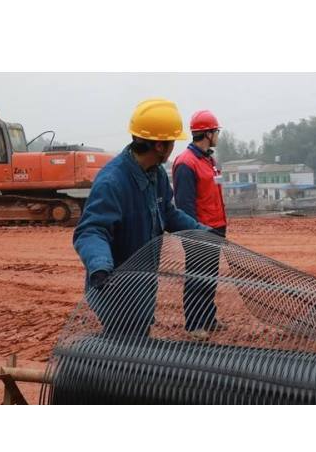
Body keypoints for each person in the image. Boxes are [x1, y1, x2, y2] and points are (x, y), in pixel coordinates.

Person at [73, 98, 208, 338]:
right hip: (114, 288)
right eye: (171, 142)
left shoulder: (155, 174)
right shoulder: (113, 182)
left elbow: (168, 212)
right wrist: (101, 266)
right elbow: (91, 231)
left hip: (142, 286)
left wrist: (201, 233)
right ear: (159, 146)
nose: (172, 147)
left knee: (137, 339)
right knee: (124, 348)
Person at [172, 110, 227, 339]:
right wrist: (194, 234)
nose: (217, 135)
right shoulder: (186, 163)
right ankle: (195, 324)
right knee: (197, 275)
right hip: (199, 230)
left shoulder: (208, 160)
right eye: (215, 131)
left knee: (210, 275)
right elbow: (184, 205)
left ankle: (208, 318)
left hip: (216, 226)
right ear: (207, 133)